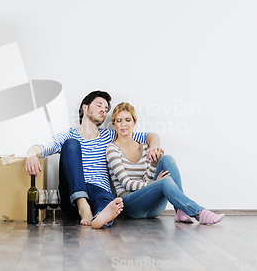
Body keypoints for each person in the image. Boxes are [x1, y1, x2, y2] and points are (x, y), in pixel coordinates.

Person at [25, 91, 161, 228]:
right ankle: (82, 204)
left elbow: (149, 136)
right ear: (85, 107)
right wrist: (31, 154)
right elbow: (44, 147)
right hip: (72, 198)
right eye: (99, 105)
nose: (104, 110)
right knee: (71, 144)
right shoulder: (68, 135)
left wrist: (154, 146)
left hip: (99, 192)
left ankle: (100, 217)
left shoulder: (110, 135)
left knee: (106, 199)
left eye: (106, 109)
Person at [106, 102, 225, 225]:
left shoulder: (145, 147)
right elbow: (127, 184)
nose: (123, 124)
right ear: (114, 124)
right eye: (119, 121)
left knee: (167, 159)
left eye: (127, 120)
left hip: (153, 209)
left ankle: (180, 210)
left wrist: (154, 161)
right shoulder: (112, 149)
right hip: (130, 205)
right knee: (165, 181)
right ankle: (199, 212)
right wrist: (155, 183)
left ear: (134, 122)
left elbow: (146, 178)